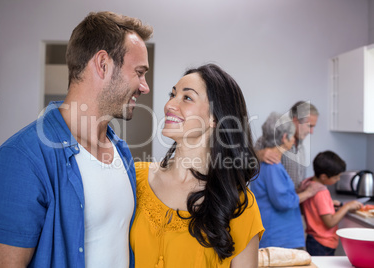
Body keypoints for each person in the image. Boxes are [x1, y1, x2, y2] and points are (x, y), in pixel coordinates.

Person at [0, 11, 153, 267]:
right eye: (139, 72)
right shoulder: (22, 158)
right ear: (103, 64)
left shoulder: (121, 151)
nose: (144, 86)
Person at [130, 64, 264, 267]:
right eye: (172, 94)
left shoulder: (238, 204)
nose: (169, 105)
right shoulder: (136, 178)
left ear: (215, 118)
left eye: (187, 98)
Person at [251, 112, 323, 249]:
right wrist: (308, 192)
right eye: (292, 136)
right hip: (279, 239)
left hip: (278, 237)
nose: (294, 140)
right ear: (285, 138)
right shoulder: (272, 166)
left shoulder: (268, 163)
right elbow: (283, 202)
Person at [301, 151, 363, 256]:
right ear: (324, 177)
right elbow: (330, 222)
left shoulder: (308, 184)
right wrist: (347, 207)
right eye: (336, 177)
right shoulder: (322, 192)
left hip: (313, 239)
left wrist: (329, 203)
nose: (338, 179)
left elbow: (315, 206)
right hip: (322, 242)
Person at [255, 101, 319, 189]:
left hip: (293, 200)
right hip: (279, 200)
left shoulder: (301, 146)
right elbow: (245, 159)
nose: (311, 132)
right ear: (295, 120)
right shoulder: (270, 139)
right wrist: (260, 154)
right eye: (309, 126)